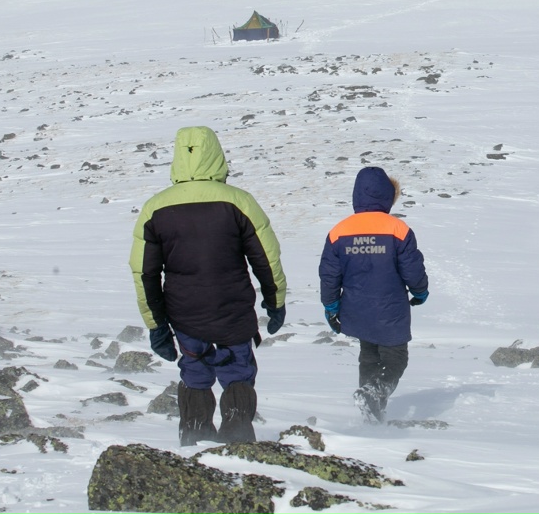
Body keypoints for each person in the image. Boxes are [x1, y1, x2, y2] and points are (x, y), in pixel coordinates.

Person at [130, 125, 287, 446]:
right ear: (217, 155)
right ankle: (238, 441)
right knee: (238, 371)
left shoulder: (155, 208)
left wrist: (156, 325)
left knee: (195, 371)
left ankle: (193, 440)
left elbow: (144, 273)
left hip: (184, 312)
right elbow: (266, 259)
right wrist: (275, 302)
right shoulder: (239, 202)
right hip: (233, 310)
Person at [319, 166, 429, 423]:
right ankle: (374, 392)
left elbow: (329, 274)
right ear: (388, 195)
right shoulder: (398, 229)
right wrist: (420, 291)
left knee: (369, 357)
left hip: (356, 309)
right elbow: (412, 268)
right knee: (396, 358)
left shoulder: (339, 231)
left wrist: (331, 305)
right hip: (390, 309)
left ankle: (372, 415)